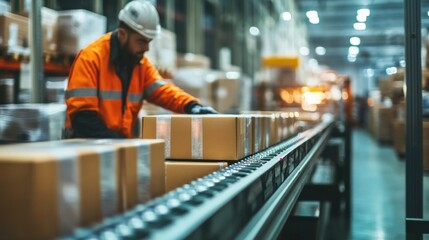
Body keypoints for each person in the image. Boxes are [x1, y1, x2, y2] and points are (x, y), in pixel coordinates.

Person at [64, 0, 217, 139]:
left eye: (149, 41)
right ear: (123, 34)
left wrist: (192, 106)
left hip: (116, 147)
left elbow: (164, 92)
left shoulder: (140, 64)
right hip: (85, 146)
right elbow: (82, 118)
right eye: (141, 41)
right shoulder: (91, 58)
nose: (146, 48)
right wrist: (117, 143)